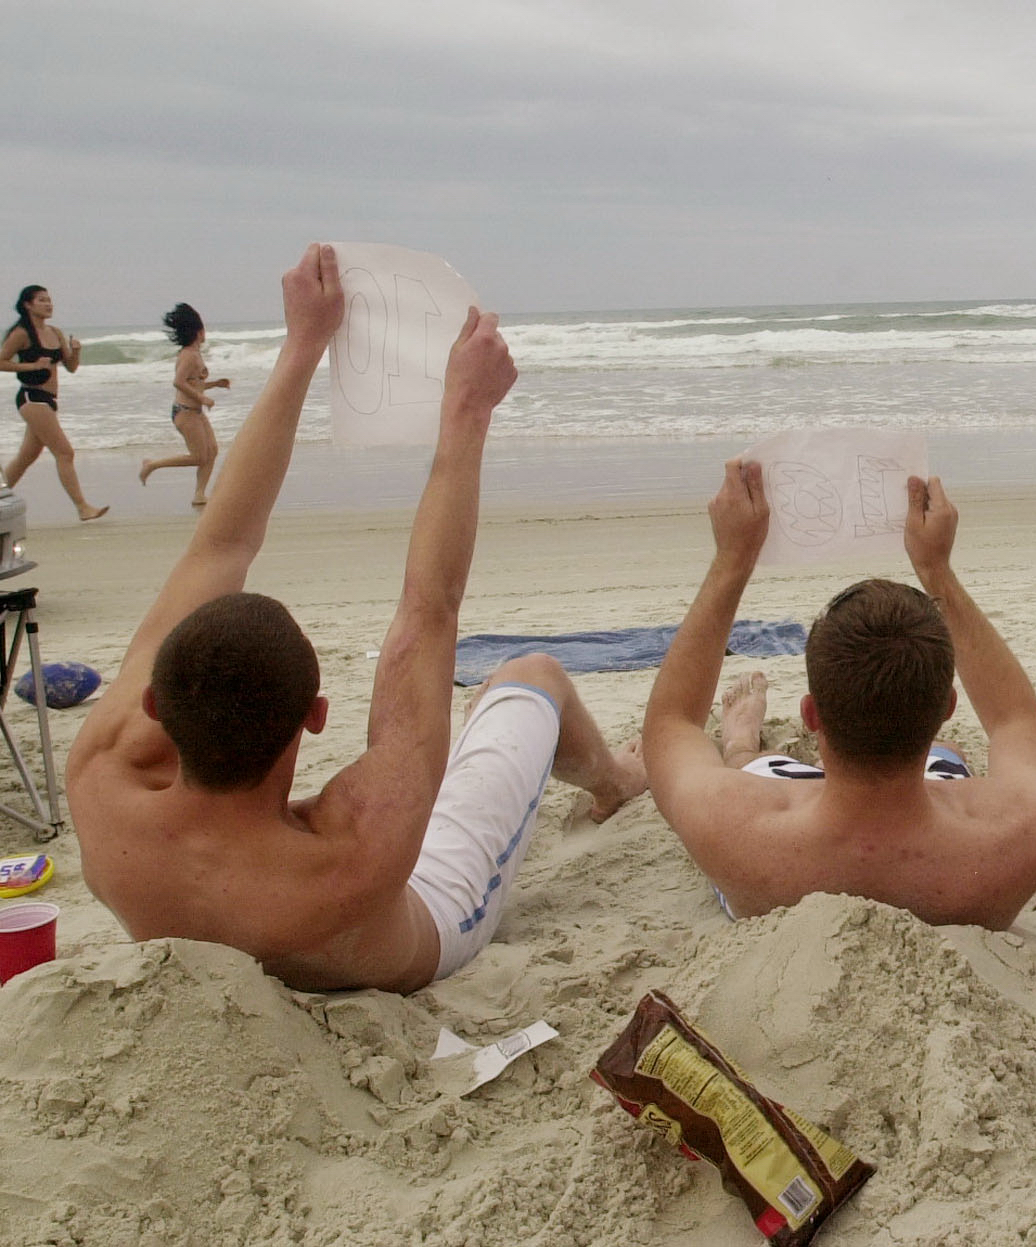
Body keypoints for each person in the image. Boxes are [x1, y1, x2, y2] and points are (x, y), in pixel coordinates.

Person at [68, 245, 647, 992]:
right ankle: (616, 782)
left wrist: (302, 345)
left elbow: (221, 543)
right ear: (314, 717)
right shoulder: (348, 855)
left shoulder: (101, 781)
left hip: (230, 896)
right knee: (531, 676)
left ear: (153, 703)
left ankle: (596, 770)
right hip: (432, 918)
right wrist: (467, 411)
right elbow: (428, 613)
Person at [644, 462, 1036, 929]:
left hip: (783, 852)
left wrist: (733, 556)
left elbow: (672, 723)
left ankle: (742, 745)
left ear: (811, 714)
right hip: (953, 849)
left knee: (748, 767)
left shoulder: (730, 821)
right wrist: (936, 569)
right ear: (947, 707)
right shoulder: (1025, 827)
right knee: (947, 757)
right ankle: (926, 748)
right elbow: (1014, 721)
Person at [2, 285, 108, 520]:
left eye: (49, 300)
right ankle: (82, 507)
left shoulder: (56, 332)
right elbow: (2, 361)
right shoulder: (21, 333)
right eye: (42, 300)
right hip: (31, 398)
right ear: (28, 305)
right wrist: (31, 366)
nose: (49, 304)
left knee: (26, 457)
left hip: (49, 400)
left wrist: (76, 351)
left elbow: (71, 367)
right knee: (65, 452)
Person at [140, 302, 231, 506]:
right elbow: (178, 382)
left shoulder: (195, 354)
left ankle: (199, 494)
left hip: (195, 412)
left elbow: (194, 384)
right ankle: (152, 464)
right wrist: (202, 398)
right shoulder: (189, 355)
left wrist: (215, 384)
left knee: (212, 451)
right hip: (185, 412)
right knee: (199, 456)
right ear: (198, 332)